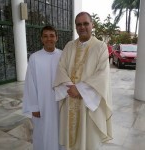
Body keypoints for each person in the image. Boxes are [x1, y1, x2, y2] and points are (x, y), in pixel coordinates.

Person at [53, 12, 112, 150]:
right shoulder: (69, 46)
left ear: (92, 25)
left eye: (85, 23)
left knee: (88, 139)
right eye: (79, 24)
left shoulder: (100, 47)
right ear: (75, 27)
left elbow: (102, 74)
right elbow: (61, 68)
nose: (82, 27)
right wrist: (71, 88)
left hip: (88, 102)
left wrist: (79, 89)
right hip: (70, 97)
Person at [22, 25, 62, 150]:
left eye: (51, 36)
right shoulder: (34, 58)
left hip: (60, 104)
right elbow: (30, 84)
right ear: (41, 39)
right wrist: (34, 106)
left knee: (60, 133)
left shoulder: (63, 55)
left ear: (57, 38)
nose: (48, 39)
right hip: (42, 106)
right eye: (45, 36)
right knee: (43, 134)